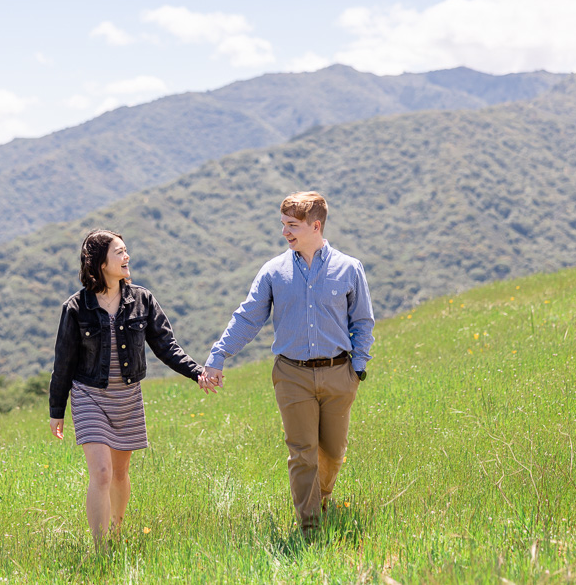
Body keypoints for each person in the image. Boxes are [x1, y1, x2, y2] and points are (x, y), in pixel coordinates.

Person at [199, 191, 374, 536]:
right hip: (292, 375)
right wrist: (218, 356)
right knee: (302, 452)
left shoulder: (349, 268)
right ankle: (309, 527)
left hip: (339, 373)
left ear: (316, 225)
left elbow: (363, 321)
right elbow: (248, 318)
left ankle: (321, 499)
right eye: (283, 225)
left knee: (333, 452)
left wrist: (358, 368)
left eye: (292, 226)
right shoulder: (273, 272)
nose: (285, 232)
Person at [49, 229, 214, 549]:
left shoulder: (142, 299)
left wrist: (197, 373)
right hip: (89, 396)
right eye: (120, 253)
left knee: (120, 474)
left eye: (126, 251)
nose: (127, 258)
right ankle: (100, 550)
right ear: (100, 262)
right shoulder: (76, 307)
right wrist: (57, 410)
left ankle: (116, 531)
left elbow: (167, 346)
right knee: (101, 472)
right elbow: (64, 361)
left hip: (127, 397)